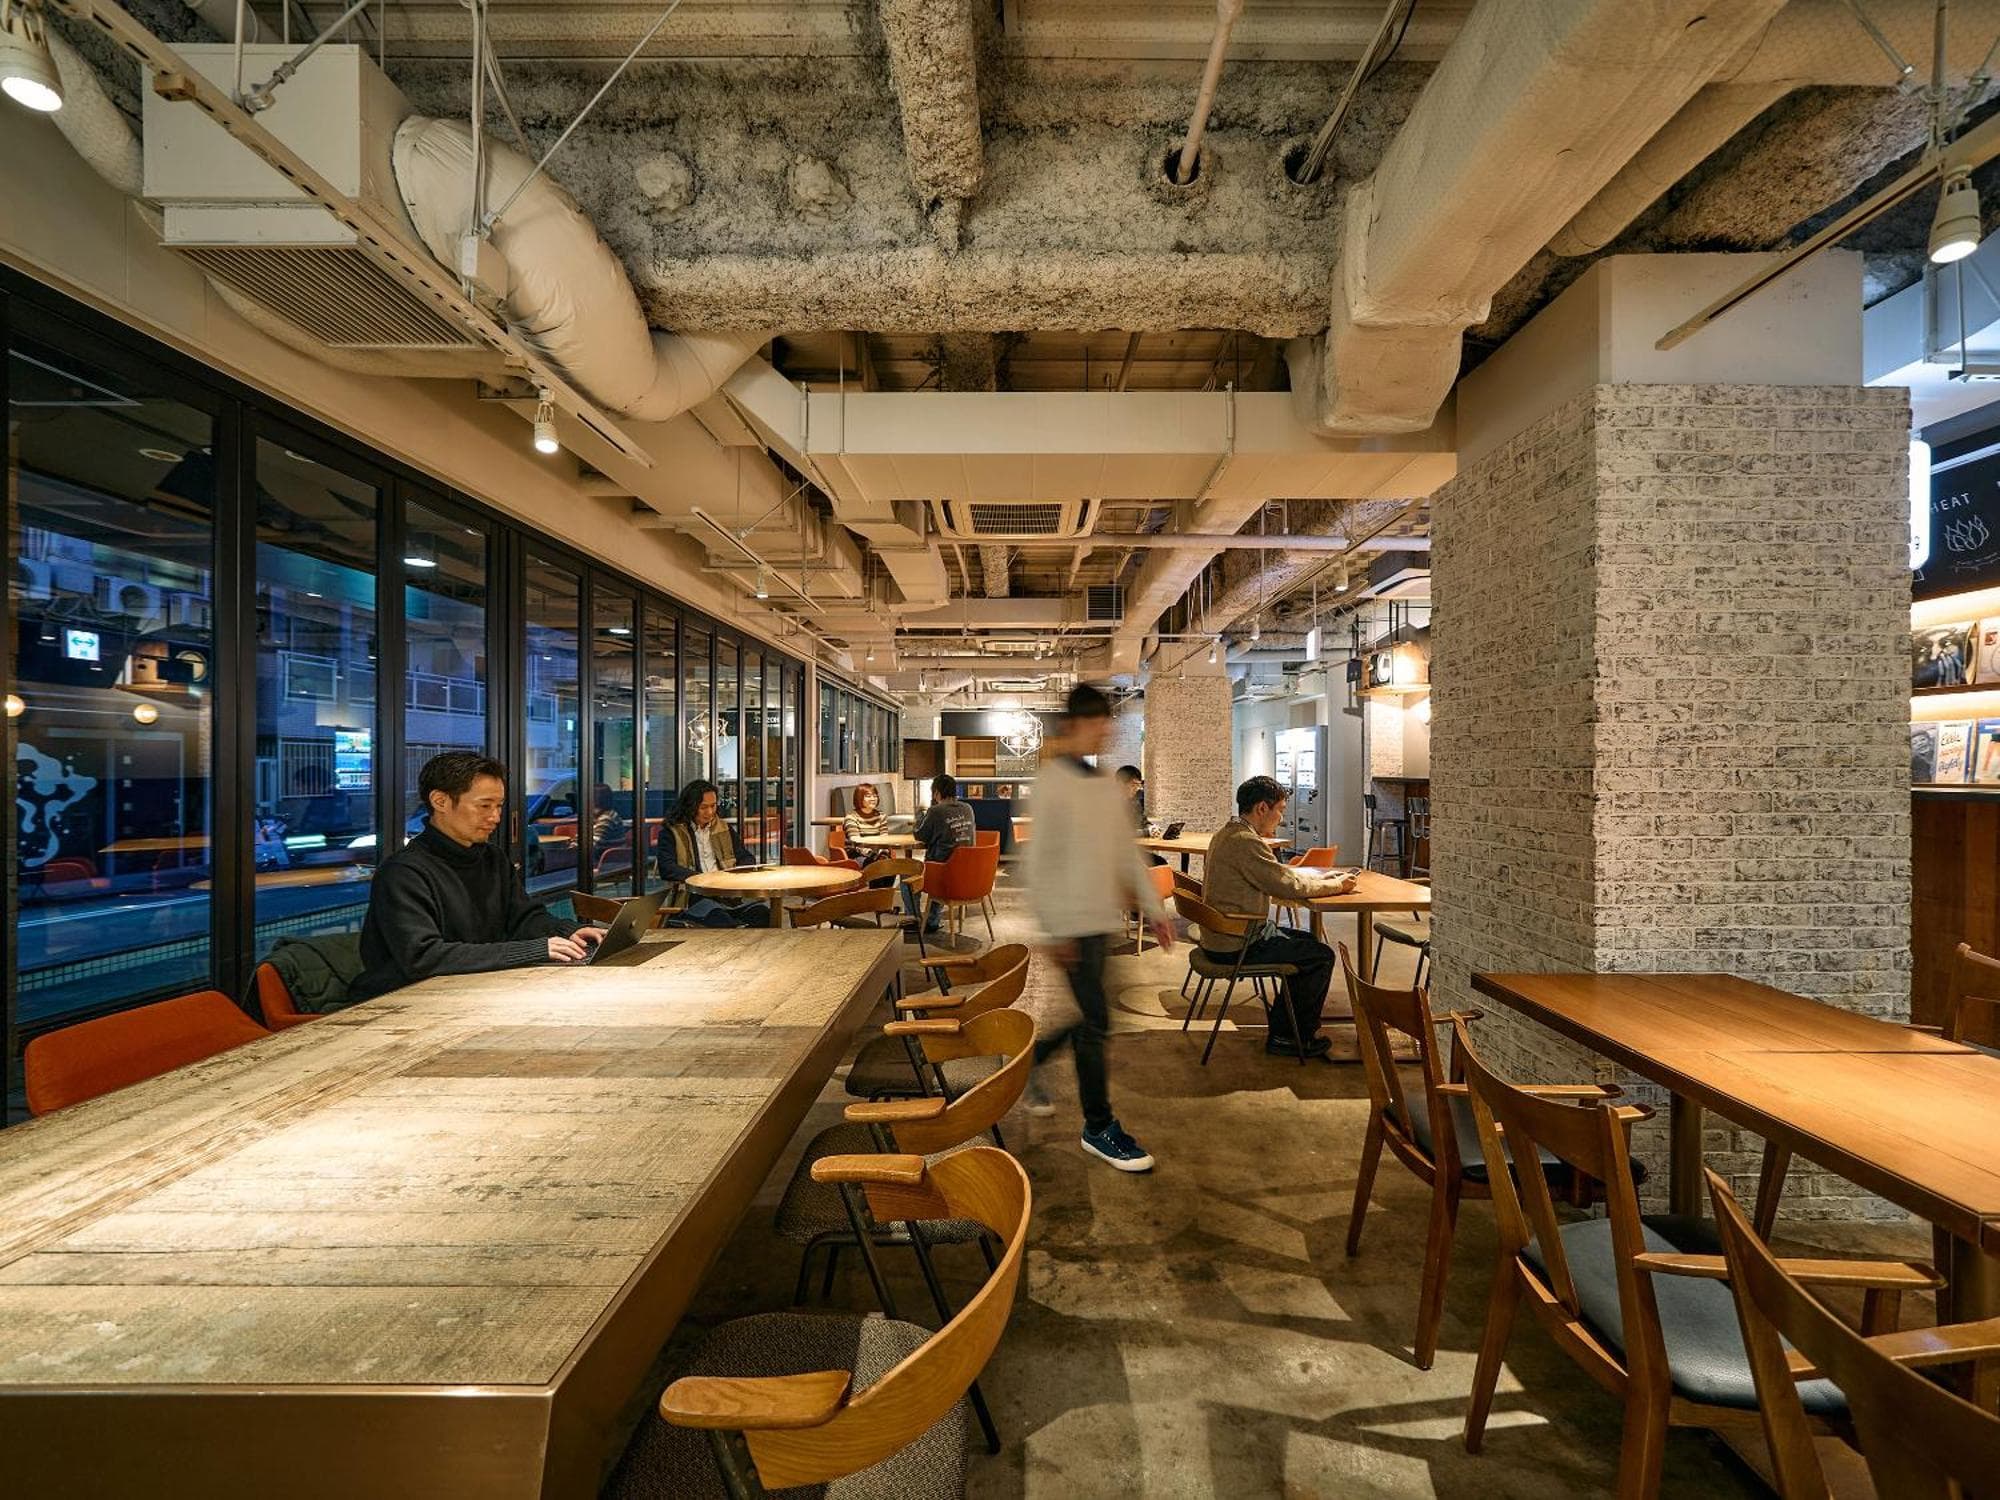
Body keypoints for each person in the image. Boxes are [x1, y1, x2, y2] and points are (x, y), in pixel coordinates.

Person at [1023, 683, 1173, 1173]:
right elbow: (1039, 862)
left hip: (1100, 921)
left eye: (1107, 723)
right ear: (1073, 725)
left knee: (1093, 1021)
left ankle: (1030, 1062)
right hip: (1072, 924)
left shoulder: (1104, 785)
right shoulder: (1051, 783)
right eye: (1096, 723)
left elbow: (1124, 852)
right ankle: (1098, 1125)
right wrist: (1054, 928)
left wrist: (1154, 909)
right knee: (1095, 1024)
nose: (1104, 732)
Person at [351, 751, 606, 1001]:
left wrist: (568, 931)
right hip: (404, 1002)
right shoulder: (404, 872)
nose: (495, 817)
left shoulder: (492, 858)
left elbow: (523, 918)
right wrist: (535, 949)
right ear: (440, 801)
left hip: (474, 991)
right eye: (484, 806)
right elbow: (424, 957)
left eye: (499, 806)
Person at [1199, 774, 1349, 1059]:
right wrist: (1337, 886)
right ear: (1261, 808)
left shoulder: (1227, 834)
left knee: (1309, 943)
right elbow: (1287, 886)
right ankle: (1289, 1037)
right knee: (1320, 956)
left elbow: (1277, 877)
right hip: (1237, 942)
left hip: (1223, 935)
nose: (1281, 818)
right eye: (1280, 810)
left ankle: (1289, 1027)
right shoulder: (1245, 842)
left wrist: (1323, 880)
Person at [656, 779, 774, 927]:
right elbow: (667, 868)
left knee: (764, 914)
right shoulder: (672, 832)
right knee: (722, 921)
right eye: (703, 807)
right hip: (693, 896)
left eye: (713, 806)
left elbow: (745, 856)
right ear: (690, 807)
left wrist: (738, 873)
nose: (710, 812)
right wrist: (701, 879)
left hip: (728, 894)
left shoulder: (724, 828)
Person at [908, 772, 976, 934]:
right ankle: (932, 920)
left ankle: (915, 921)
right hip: (968, 873)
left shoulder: (936, 811)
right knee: (942, 861)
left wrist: (919, 817)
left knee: (907, 878)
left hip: (941, 874)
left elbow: (920, 835)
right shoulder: (968, 808)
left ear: (936, 792)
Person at [842, 781, 890, 865]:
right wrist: (874, 856)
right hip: (857, 856)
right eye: (868, 796)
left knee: (894, 866)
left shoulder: (881, 816)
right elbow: (856, 842)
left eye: (875, 796)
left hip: (878, 855)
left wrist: (883, 854)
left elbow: (884, 839)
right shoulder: (851, 818)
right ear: (859, 798)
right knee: (876, 866)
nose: (873, 799)